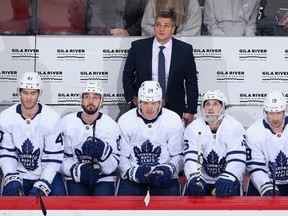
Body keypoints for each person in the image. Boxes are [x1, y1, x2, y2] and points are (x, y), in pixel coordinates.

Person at [122, 10, 198, 127]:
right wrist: (131, 98)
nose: (161, 29)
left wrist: (191, 110)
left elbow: (191, 82)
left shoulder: (185, 50)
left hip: (174, 107)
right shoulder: (138, 47)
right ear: (154, 28)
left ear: (173, 29)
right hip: (144, 106)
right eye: (158, 25)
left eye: (166, 26)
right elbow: (127, 75)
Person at [0, 71, 66, 196]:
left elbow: (54, 158)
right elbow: (7, 153)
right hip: (18, 173)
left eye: (33, 93)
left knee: (59, 203)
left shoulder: (51, 118)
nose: (28, 98)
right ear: (19, 92)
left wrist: (44, 183)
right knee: (10, 204)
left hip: (45, 172)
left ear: (39, 93)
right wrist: (10, 175)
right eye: (25, 92)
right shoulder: (6, 117)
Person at [117, 80, 184, 196]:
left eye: (153, 103)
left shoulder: (173, 119)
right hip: (135, 174)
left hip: (163, 175)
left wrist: (169, 169)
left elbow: (178, 155)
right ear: (139, 102)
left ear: (160, 103)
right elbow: (122, 155)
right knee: (124, 208)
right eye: (145, 103)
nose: (149, 107)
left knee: (171, 210)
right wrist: (132, 172)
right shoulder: (125, 120)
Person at [60, 81, 120, 196]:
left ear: (101, 101)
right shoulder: (66, 122)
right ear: (81, 100)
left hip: (104, 178)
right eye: (87, 97)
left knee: (104, 208)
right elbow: (60, 159)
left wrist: (104, 154)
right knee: (75, 207)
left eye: (95, 97)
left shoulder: (111, 126)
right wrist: (78, 171)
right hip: (75, 177)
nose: (91, 101)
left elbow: (112, 167)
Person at [183, 90, 247, 196]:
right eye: (207, 104)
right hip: (201, 179)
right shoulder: (193, 128)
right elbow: (191, 157)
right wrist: (194, 177)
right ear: (203, 108)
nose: (210, 108)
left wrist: (229, 177)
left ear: (223, 108)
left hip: (227, 180)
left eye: (215, 104)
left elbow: (237, 158)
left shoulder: (234, 127)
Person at [246, 91, 288, 196]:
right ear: (265, 112)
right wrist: (265, 185)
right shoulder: (253, 132)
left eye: (278, 113)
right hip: (266, 181)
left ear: (284, 111)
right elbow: (255, 166)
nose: (275, 118)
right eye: (271, 113)